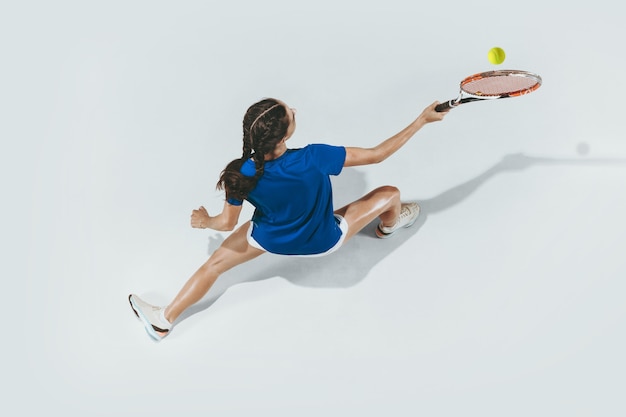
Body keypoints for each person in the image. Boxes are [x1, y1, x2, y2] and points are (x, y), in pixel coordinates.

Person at [129, 98, 448, 341]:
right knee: (390, 193)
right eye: (290, 113)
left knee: (212, 265)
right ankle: (389, 226)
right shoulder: (314, 157)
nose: (294, 109)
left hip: (268, 240)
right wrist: (421, 119)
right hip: (324, 239)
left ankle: (164, 320)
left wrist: (204, 221)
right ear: (282, 138)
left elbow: (226, 223)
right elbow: (378, 154)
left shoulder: (239, 173)